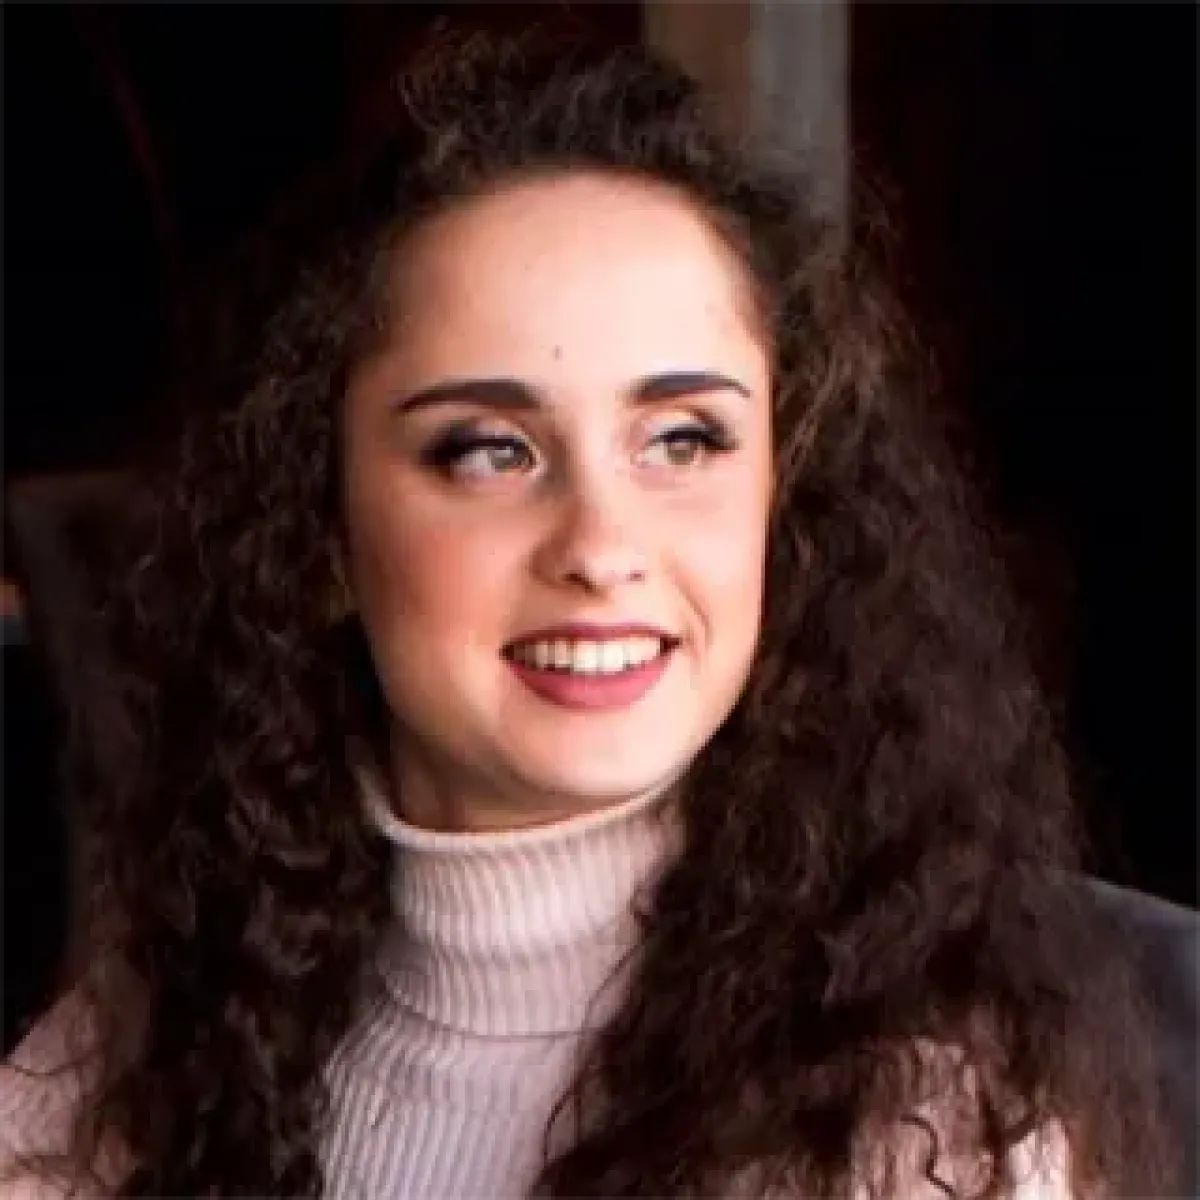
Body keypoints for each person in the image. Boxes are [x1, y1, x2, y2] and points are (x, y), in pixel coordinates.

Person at [0, 36, 1171, 1200]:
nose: (602, 548)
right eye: (489, 451)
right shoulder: (116, 1081)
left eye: (683, 441)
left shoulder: (922, 1140)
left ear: (784, 505)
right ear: (323, 535)